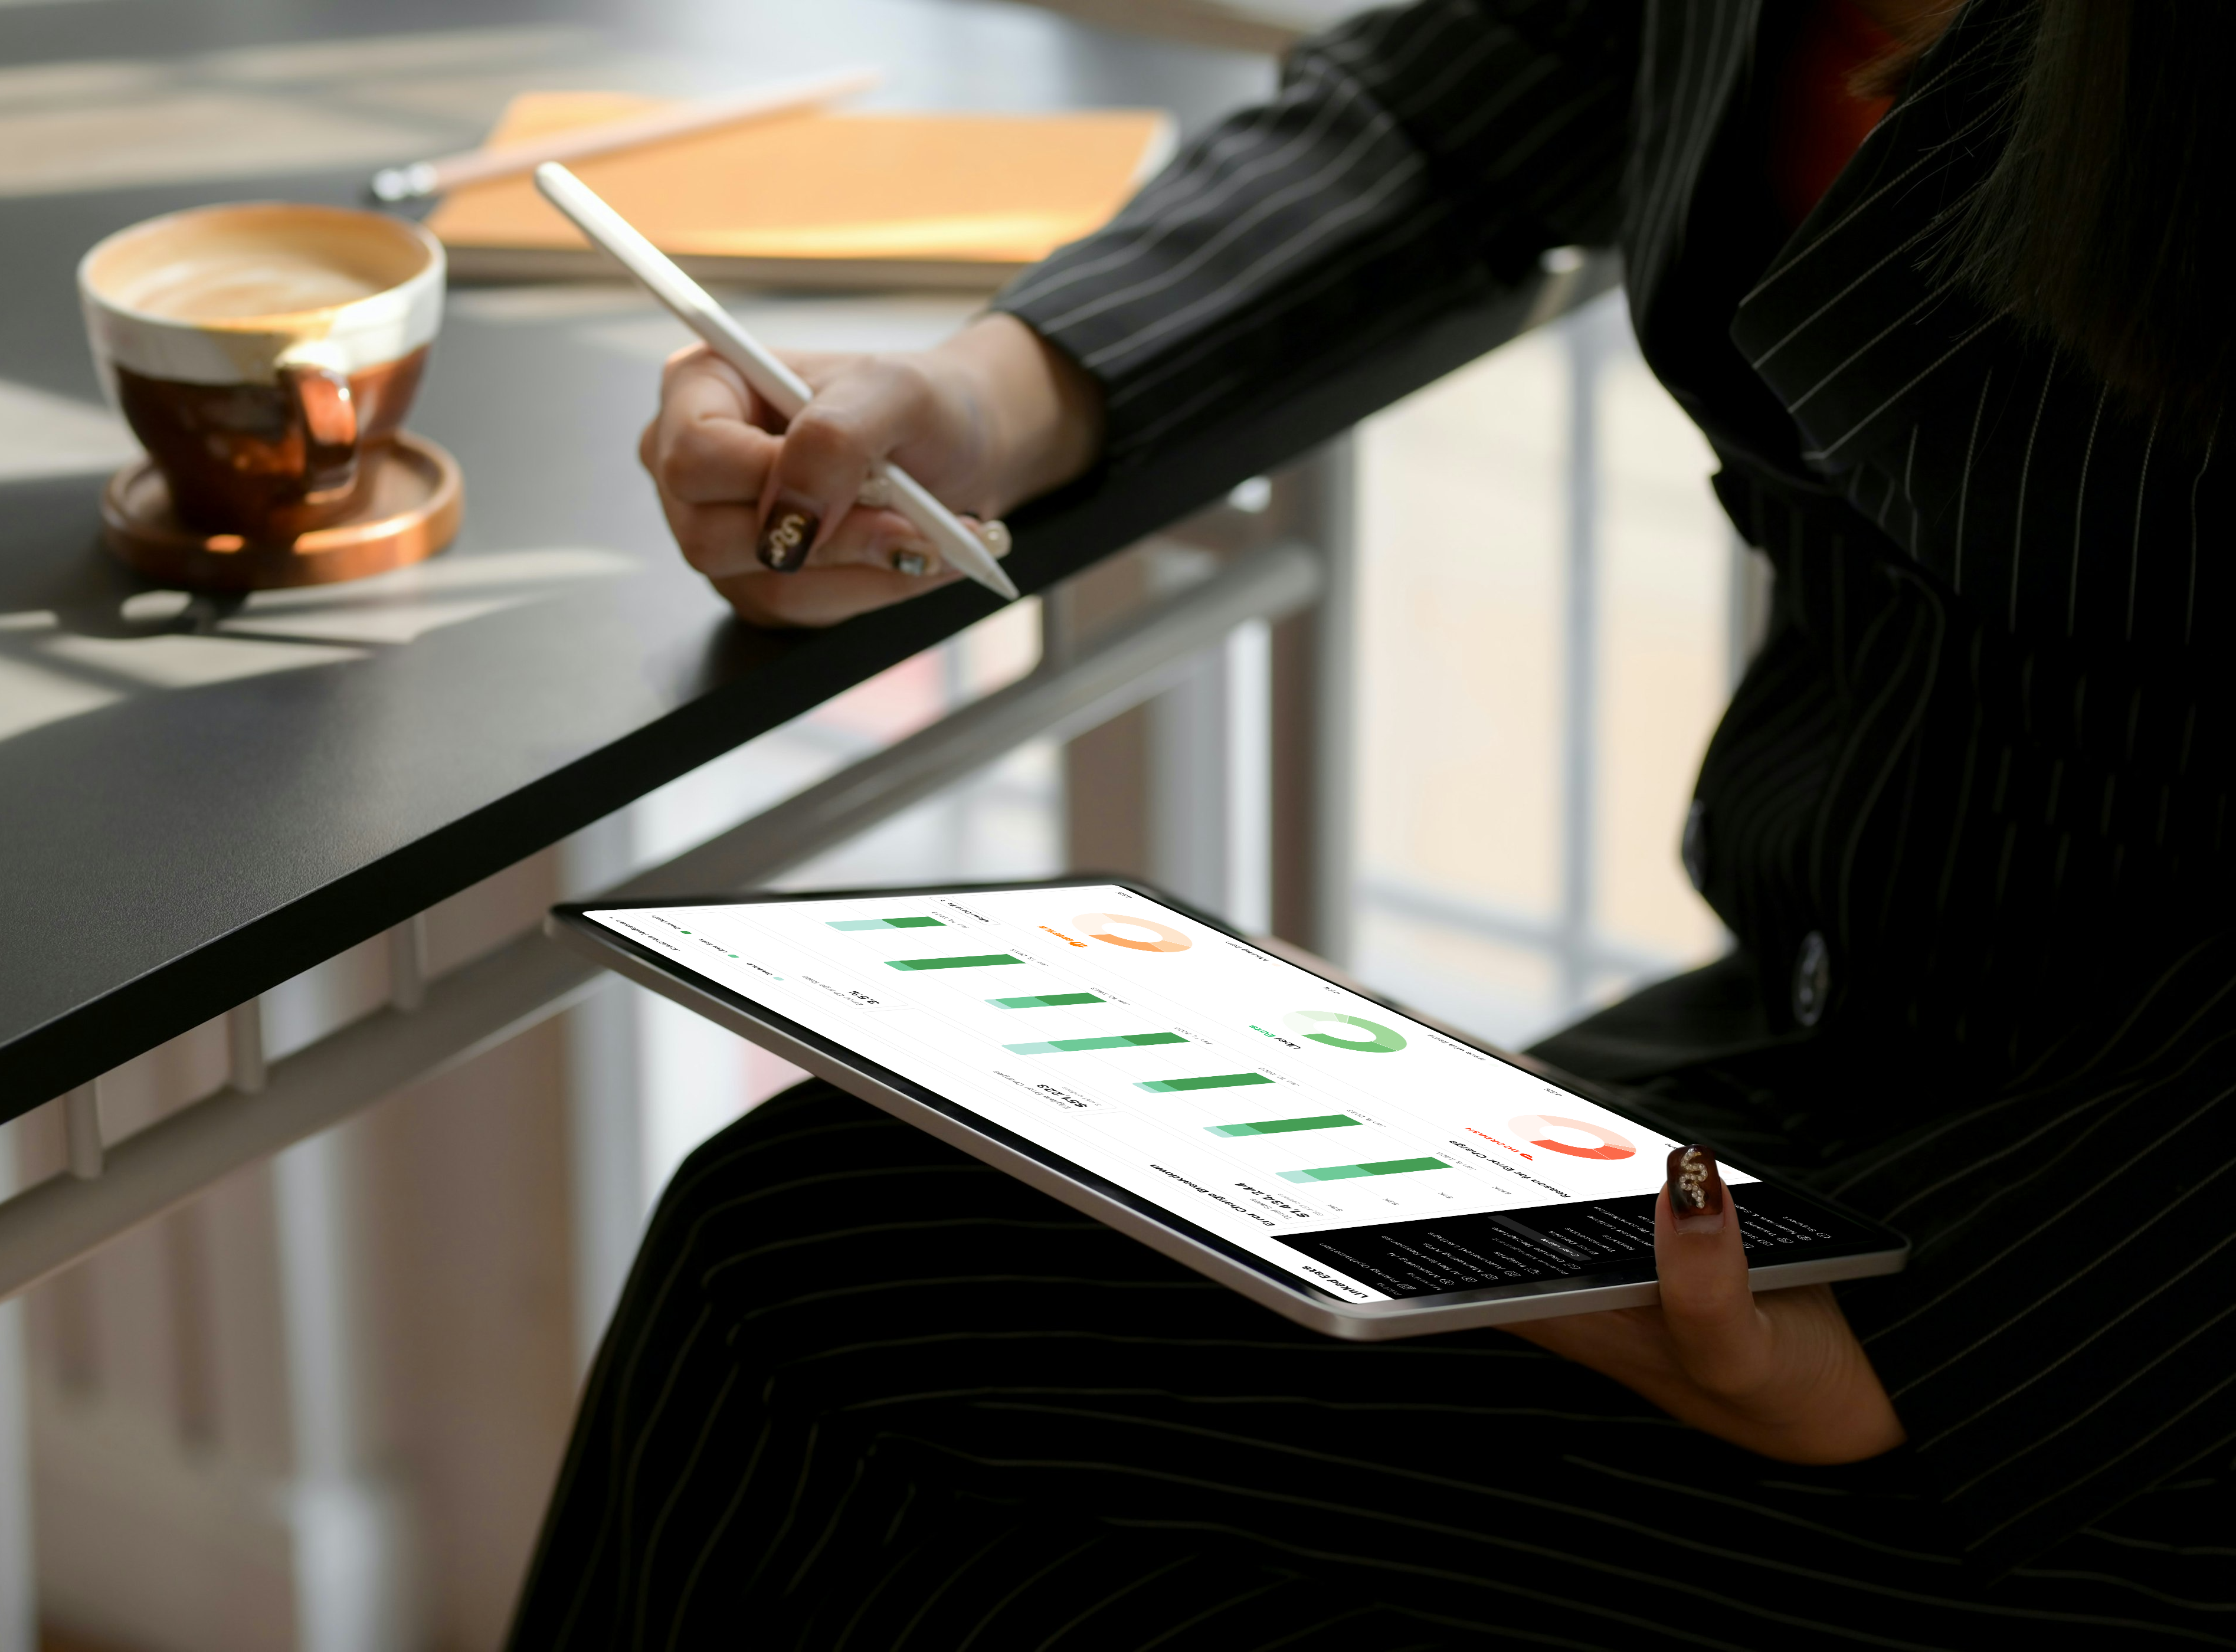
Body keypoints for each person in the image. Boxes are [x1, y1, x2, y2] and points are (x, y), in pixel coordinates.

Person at [510, 0, 2236, 1643]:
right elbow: (1454, 114)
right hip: (1800, 1079)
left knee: (817, 1258)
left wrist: (1954, 1350)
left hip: (2116, 1313)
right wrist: (985, 406)